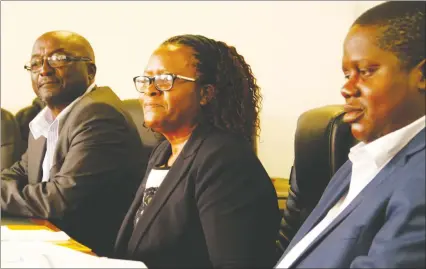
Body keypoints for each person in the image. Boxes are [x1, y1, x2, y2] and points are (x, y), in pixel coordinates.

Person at [276, 1, 425, 268]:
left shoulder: (420, 175)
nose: (347, 88)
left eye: (365, 72)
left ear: (422, 75)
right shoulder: (358, 160)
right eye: (347, 74)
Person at [113, 34, 281, 268]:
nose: (150, 90)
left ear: (206, 93)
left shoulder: (225, 162)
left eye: (164, 80)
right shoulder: (163, 153)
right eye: (146, 80)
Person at [1, 31, 146, 256]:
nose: (44, 70)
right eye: (36, 63)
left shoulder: (98, 113)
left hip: (91, 251)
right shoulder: (46, 118)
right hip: (53, 243)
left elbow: (59, 200)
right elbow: (18, 172)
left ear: (91, 71)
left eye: (59, 59)